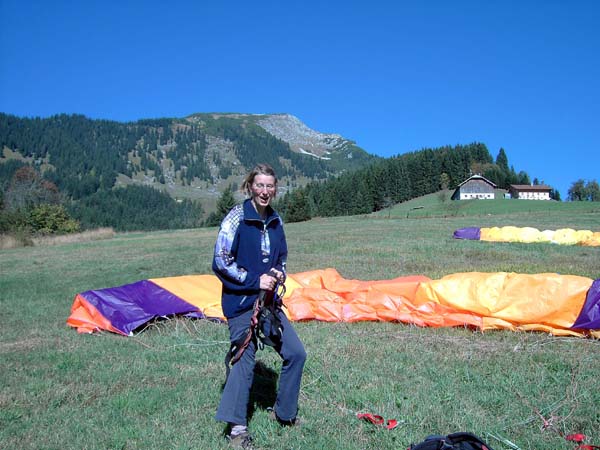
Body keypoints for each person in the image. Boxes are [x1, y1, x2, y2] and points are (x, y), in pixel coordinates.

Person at [212, 163, 307, 449]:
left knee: (296, 353)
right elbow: (220, 261)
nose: (265, 191)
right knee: (244, 360)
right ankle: (237, 429)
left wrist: (278, 273)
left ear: (275, 189)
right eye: (260, 185)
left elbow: (282, 257)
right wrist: (255, 281)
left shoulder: (276, 220)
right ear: (250, 187)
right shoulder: (236, 217)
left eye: (270, 186)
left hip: (268, 304)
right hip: (242, 303)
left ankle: (284, 413)